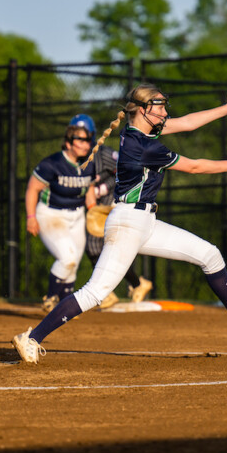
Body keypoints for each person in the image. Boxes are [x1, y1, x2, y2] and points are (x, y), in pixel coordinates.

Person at [12, 83, 227, 364]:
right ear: (142, 110)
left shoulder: (135, 131)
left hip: (145, 222)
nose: (165, 112)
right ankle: (31, 338)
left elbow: (188, 123)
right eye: (159, 107)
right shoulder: (145, 146)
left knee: (209, 255)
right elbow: (194, 166)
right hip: (128, 224)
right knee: (94, 292)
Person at [71, 114, 154, 309]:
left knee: (106, 245)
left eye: (83, 137)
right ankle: (132, 285)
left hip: (112, 201)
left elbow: (127, 173)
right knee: (96, 248)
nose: (79, 141)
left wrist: (101, 189)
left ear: (91, 137)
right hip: (92, 206)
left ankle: (120, 289)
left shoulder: (105, 154)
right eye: (75, 136)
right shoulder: (70, 160)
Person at [25, 121, 96, 313]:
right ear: (68, 142)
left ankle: (64, 307)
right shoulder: (52, 163)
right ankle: (50, 298)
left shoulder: (89, 164)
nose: (85, 144)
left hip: (78, 215)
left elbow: (89, 188)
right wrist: (31, 216)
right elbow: (32, 189)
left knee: (74, 262)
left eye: (87, 140)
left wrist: (94, 210)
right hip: (51, 214)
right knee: (67, 258)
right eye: (79, 140)